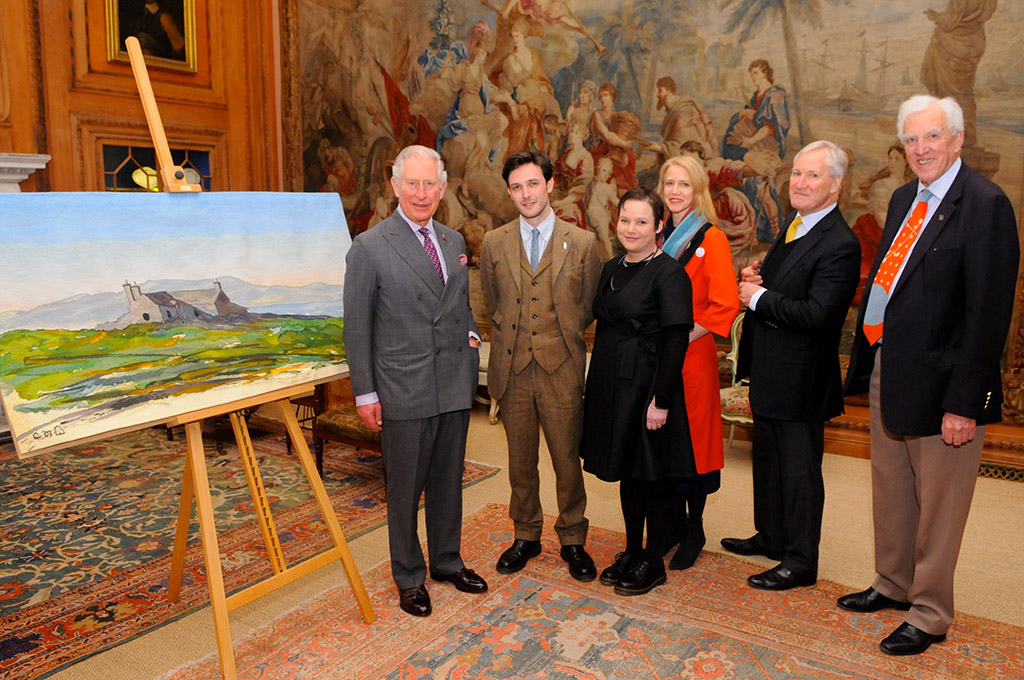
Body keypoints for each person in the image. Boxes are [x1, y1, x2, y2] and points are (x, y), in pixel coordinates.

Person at [838, 95, 1019, 656]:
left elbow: (989, 315)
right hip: (892, 365)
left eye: (933, 137)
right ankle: (893, 584)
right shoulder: (901, 199)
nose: (921, 150)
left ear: (958, 139)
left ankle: (932, 612)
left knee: (940, 505)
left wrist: (965, 401)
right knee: (892, 487)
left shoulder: (985, 204)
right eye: (912, 140)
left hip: (947, 383)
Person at [343, 145, 487, 618]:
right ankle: (409, 576)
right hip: (401, 387)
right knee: (405, 490)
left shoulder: (453, 240)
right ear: (395, 185)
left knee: (449, 481)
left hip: (452, 383)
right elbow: (357, 326)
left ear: (442, 189)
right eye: (413, 183)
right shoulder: (370, 246)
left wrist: (469, 336)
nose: (421, 193)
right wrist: (365, 391)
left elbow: (461, 302)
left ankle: (447, 561)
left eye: (430, 184)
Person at [724, 140, 860, 591]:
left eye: (812, 175)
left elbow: (819, 315)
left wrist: (758, 298)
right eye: (796, 174)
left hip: (802, 380)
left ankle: (800, 562)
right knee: (767, 460)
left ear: (836, 184)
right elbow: (785, 287)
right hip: (770, 371)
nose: (798, 183)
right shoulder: (795, 224)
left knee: (798, 473)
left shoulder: (841, 243)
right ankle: (772, 537)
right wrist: (756, 281)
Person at [479, 150, 603, 582]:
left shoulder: (583, 243)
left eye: (533, 184)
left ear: (550, 185)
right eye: (516, 187)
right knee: (520, 462)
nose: (525, 194)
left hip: (562, 370)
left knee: (567, 462)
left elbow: (588, 307)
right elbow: (493, 304)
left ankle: (573, 539)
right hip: (512, 371)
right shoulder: (494, 242)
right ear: (509, 192)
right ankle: (526, 534)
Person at [580, 188, 694, 596]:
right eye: (625, 220)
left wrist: (661, 401)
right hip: (614, 386)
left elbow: (676, 341)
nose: (631, 228)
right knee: (630, 474)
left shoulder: (670, 273)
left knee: (654, 479)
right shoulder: (612, 266)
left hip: (648, 390)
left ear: (659, 225)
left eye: (642, 221)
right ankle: (632, 549)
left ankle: (654, 560)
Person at [658, 155, 740, 569]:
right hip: (653, 358)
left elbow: (723, 306)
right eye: (669, 183)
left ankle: (694, 529)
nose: (675, 191)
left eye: (684, 184)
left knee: (692, 448)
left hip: (692, 357)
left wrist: (678, 337)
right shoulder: (652, 235)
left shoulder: (713, 239)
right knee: (661, 445)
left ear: (698, 190)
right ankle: (667, 526)